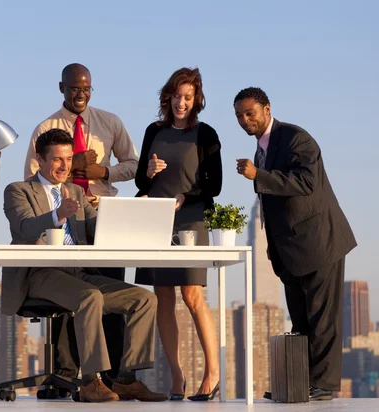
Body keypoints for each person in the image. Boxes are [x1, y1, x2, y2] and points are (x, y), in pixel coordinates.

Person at [4, 129, 167, 402]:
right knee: (90, 298)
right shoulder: (19, 190)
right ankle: (92, 382)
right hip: (39, 273)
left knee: (144, 298)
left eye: (68, 158)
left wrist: (134, 212)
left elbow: (96, 227)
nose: (65, 165)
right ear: (40, 160)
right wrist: (57, 214)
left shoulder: (76, 192)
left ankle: (126, 379)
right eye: (57, 159)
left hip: (77, 273)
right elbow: (24, 228)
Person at [234, 87, 356, 401]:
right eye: (239, 115)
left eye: (250, 113)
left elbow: (307, 181)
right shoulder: (263, 148)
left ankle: (325, 385)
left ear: (266, 109)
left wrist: (258, 175)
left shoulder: (295, 138)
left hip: (318, 242)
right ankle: (301, 384)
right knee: (300, 321)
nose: (244, 119)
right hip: (290, 251)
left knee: (322, 319)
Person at [24, 63, 138, 390]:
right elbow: (31, 179)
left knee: (111, 293)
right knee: (66, 294)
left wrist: (102, 172)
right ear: (62, 88)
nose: (80, 94)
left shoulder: (110, 122)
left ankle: (114, 376)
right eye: (75, 88)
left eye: (86, 88)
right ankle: (65, 374)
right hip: (63, 219)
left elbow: (132, 165)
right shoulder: (46, 127)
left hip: (103, 216)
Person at [134, 68, 222, 401]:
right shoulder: (153, 131)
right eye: (177, 96)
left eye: (188, 97)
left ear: (196, 99)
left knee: (192, 295)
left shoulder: (206, 133)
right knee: (164, 297)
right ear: (167, 97)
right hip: (155, 218)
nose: (181, 102)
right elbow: (143, 183)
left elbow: (215, 185)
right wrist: (148, 173)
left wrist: (187, 197)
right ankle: (176, 375)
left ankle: (212, 373)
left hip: (190, 217)